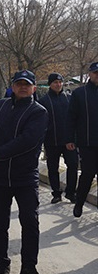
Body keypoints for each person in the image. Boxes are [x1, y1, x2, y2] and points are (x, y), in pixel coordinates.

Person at [0, 70, 48, 274]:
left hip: (24, 177)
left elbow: (26, 142)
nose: (23, 87)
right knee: (0, 224)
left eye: (27, 84)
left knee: (30, 222)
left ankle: (29, 267)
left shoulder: (38, 112)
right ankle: (2, 266)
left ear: (34, 88)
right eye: (19, 84)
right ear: (13, 86)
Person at [38, 73, 78, 204]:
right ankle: (56, 192)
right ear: (50, 84)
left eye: (60, 82)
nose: (58, 85)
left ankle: (71, 192)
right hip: (51, 141)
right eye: (55, 82)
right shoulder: (43, 101)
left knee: (72, 164)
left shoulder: (69, 98)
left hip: (69, 141)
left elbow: (75, 119)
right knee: (52, 168)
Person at [67, 62, 98, 217]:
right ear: (90, 74)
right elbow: (71, 118)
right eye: (95, 73)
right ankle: (79, 204)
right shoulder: (80, 93)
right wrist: (69, 139)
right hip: (87, 143)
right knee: (87, 175)